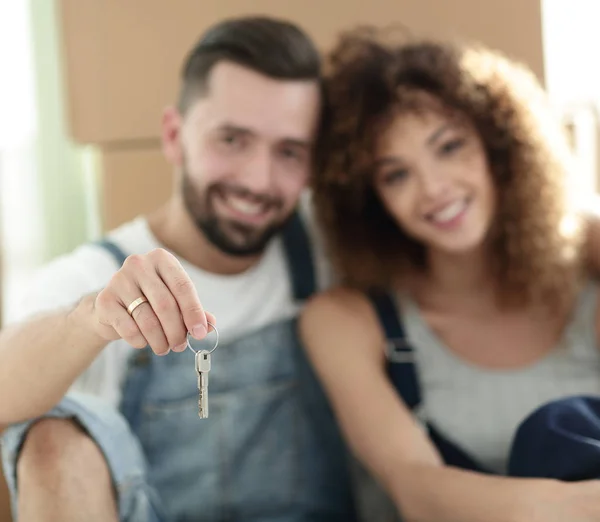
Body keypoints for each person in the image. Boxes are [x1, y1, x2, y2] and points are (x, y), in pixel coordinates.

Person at [0, 16, 358, 522]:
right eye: (232, 140)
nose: (258, 180)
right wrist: (90, 321)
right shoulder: (95, 276)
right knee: (49, 437)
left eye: (289, 152)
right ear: (174, 135)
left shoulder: (332, 249)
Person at [300, 26, 600, 522]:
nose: (434, 188)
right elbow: (416, 491)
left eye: (449, 147)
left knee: (558, 428)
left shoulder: (588, 260)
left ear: (498, 145)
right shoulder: (347, 321)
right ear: (369, 200)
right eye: (397, 174)